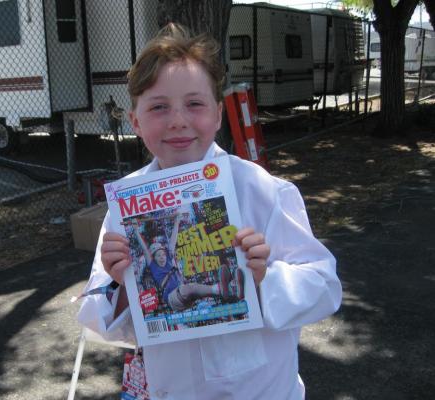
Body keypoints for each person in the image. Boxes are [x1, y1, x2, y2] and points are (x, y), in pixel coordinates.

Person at [78, 23, 342, 400]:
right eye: (158, 107)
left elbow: (325, 287)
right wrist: (121, 283)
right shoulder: (127, 206)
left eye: (195, 104)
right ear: (135, 121)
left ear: (218, 114)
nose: (178, 121)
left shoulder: (263, 190)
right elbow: (106, 318)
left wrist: (266, 276)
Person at [130, 213, 244, 312]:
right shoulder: (153, 266)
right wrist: (135, 230)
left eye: (163, 254)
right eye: (158, 256)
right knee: (190, 287)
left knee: (198, 291)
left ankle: (232, 289)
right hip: (172, 298)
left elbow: (172, 241)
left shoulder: (169, 259)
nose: (162, 257)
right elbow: (145, 249)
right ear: (153, 258)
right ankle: (221, 289)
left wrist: (177, 221)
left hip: (183, 295)